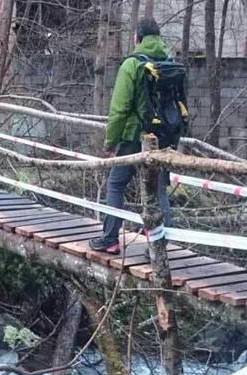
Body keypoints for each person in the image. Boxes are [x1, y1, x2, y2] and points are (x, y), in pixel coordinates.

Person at [88, 18, 174, 254]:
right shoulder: (169, 61)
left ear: (137, 38)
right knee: (159, 192)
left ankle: (110, 239)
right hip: (163, 137)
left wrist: (110, 141)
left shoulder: (132, 64)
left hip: (134, 137)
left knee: (116, 185)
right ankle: (159, 246)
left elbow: (120, 109)